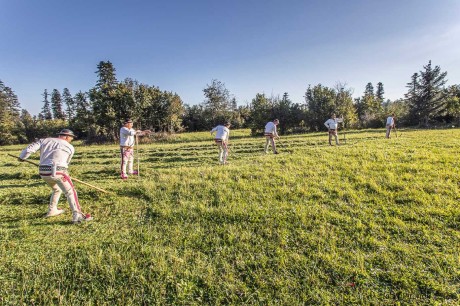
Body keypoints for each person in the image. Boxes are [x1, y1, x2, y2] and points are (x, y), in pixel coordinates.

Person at [18, 129, 93, 224]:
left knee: (57, 189)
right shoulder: (70, 147)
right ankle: (77, 215)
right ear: (67, 137)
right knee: (70, 192)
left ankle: (52, 210)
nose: (71, 140)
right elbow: (66, 163)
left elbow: (29, 149)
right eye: (71, 138)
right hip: (59, 171)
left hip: (43, 172)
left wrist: (22, 157)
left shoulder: (44, 140)